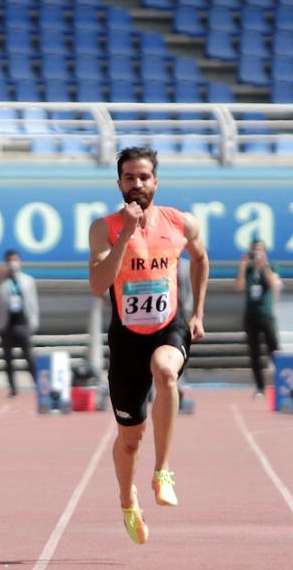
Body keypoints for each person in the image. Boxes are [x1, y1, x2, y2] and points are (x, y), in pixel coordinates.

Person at [88, 146, 208, 545]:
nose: (137, 185)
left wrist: (198, 314)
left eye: (144, 177)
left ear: (156, 181)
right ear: (118, 183)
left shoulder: (180, 222)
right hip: (126, 338)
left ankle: (163, 470)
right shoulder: (104, 227)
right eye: (129, 178)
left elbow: (201, 258)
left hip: (168, 325)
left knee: (166, 370)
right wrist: (125, 233)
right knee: (129, 438)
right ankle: (127, 500)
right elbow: (98, 283)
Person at [235, 239, 281, 397]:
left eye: (260, 250)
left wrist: (264, 265)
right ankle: (260, 387)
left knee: (274, 349)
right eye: (255, 250)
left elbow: (272, 283)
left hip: (266, 314)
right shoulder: (248, 270)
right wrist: (242, 266)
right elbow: (239, 286)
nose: (257, 254)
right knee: (254, 352)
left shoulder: (270, 266)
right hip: (251, 315)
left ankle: (282, 382)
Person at [0, 249, 39, 397]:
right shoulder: (0, 281)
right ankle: (13, 388)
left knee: (29, 356)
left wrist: (34, 322)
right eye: (9, 261)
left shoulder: (27, 280)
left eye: (15, 260)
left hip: (22, 322)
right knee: (8, 358)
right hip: (6, 323)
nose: (12, 264)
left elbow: (33, 303)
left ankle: (38, 385)